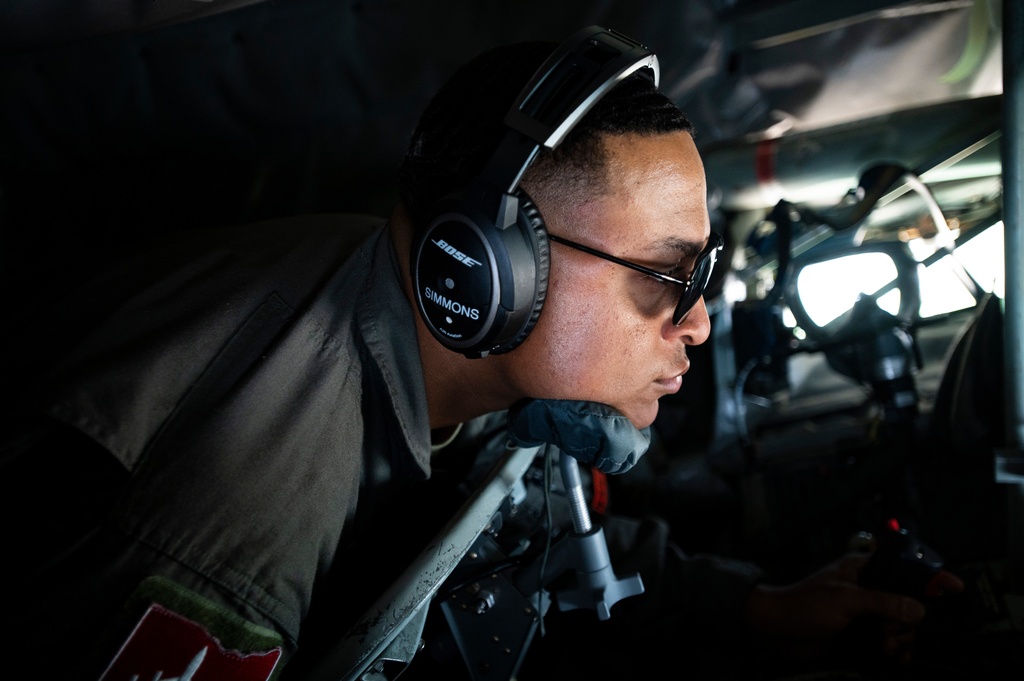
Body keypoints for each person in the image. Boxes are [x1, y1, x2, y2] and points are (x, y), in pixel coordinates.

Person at [1, 27, 961, 681]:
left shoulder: (466, 352)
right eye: (664, 276)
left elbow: (516, 524)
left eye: (703, 272)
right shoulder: (225, 528)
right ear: (489, 264)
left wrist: (754, 608)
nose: (699, 321)